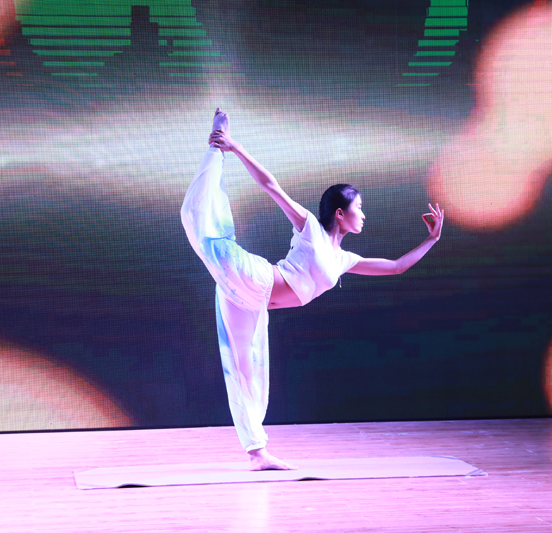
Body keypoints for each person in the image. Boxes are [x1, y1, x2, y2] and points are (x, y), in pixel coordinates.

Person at [181, 109, 444, 471]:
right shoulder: (310, 229)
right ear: (340, 213)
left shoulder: (344, 260)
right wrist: (235, 147)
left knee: (246, 370)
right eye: (359, 208)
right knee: (207, 232)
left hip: (249, 302)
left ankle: (257, 454)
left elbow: (397, 266)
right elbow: (271, 186)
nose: (364, 214)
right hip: (255, 278)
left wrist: (432, 240)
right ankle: (217, 145)